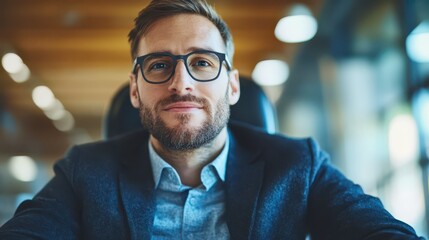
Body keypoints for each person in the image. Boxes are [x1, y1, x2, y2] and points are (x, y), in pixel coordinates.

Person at [0, 0, 425, 239]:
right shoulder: (85, 172)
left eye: (202, 62)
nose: (181, 83)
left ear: (233, 86)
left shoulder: (299, 166)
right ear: (134, 89)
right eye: (159, 65)